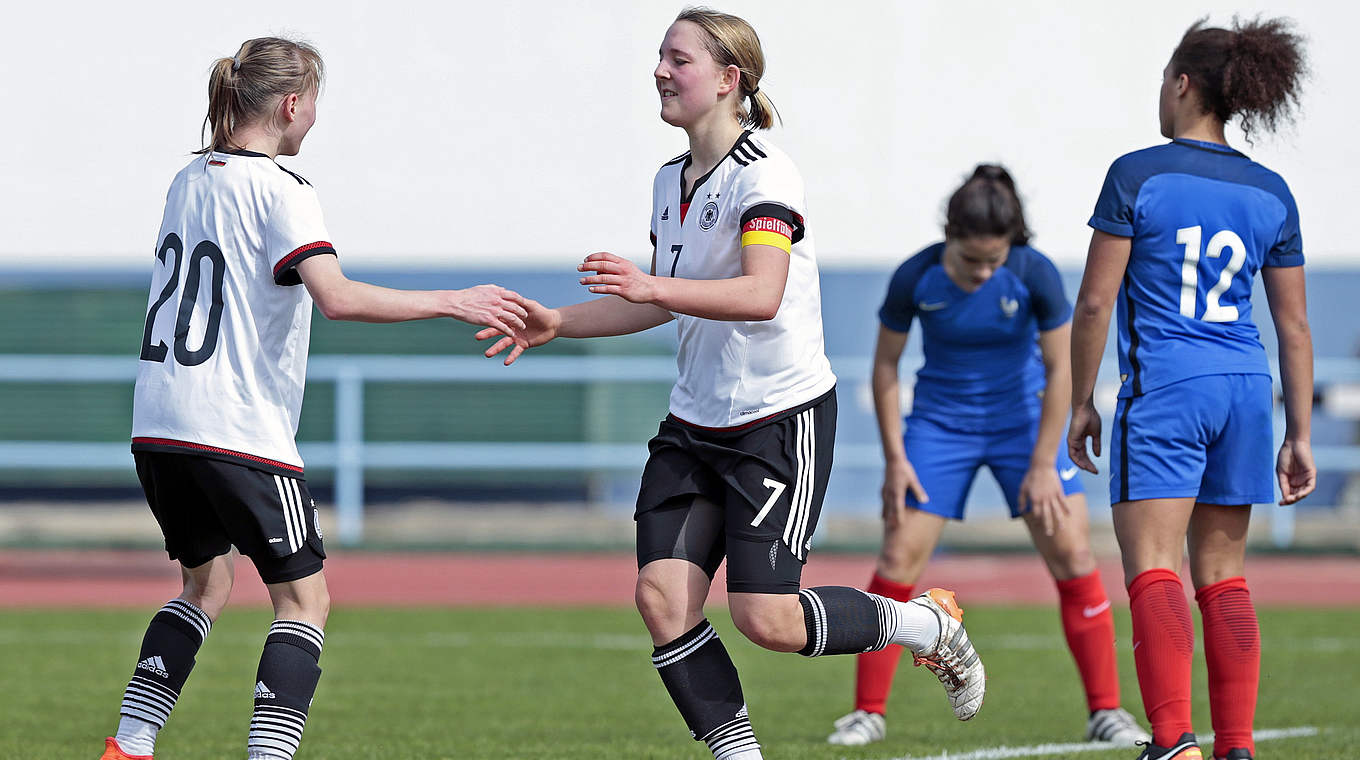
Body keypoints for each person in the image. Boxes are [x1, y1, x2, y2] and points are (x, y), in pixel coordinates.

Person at [480, 9, 984, 759]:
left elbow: (760, 294)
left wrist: (652, 285)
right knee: (661, 600)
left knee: (767, 620)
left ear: (729, 79)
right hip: (695, 422)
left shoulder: (766, 174)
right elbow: (661, 298)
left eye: (677, 59)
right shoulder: (667, 180)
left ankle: (927, 626)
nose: (659, 70)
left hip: (777, 421)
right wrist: (560, 321)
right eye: (659, 55)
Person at [100, 37, 531, 760]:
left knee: (203, 587)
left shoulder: (187, 178)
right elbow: (335, 297)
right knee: (304, 602)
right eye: (316, 104)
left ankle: (131, 747)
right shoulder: (284, 190)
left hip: (159, 425)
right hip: (237, 429)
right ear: (293, 104)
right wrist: (455, 300)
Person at [827, 166, 1149, 747]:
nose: (982, 272)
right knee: (898, 554)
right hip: (939, 426)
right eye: (971, 260)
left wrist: (1045, 462)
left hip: (1022, 423)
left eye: (992, 261)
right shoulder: (915, 275)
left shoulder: (1033, 272)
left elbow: (1061, 371)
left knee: (1075, 551)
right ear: (950, 236)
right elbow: (884, 368)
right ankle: (866, 713)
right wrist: (896, 458)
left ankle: (1106, 712)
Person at [1069, 17, 1313, 760]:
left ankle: (1174, 742)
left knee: (1154, 568)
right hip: (1246, 388)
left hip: (1169, 389)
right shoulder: (1271, 190)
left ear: (1181, 83)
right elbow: (1294, 327)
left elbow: (1094, 304)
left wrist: (1083, 399)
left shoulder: (1137, 173)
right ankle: (1236, 746)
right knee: (1225, 578)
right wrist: (1298, 433)